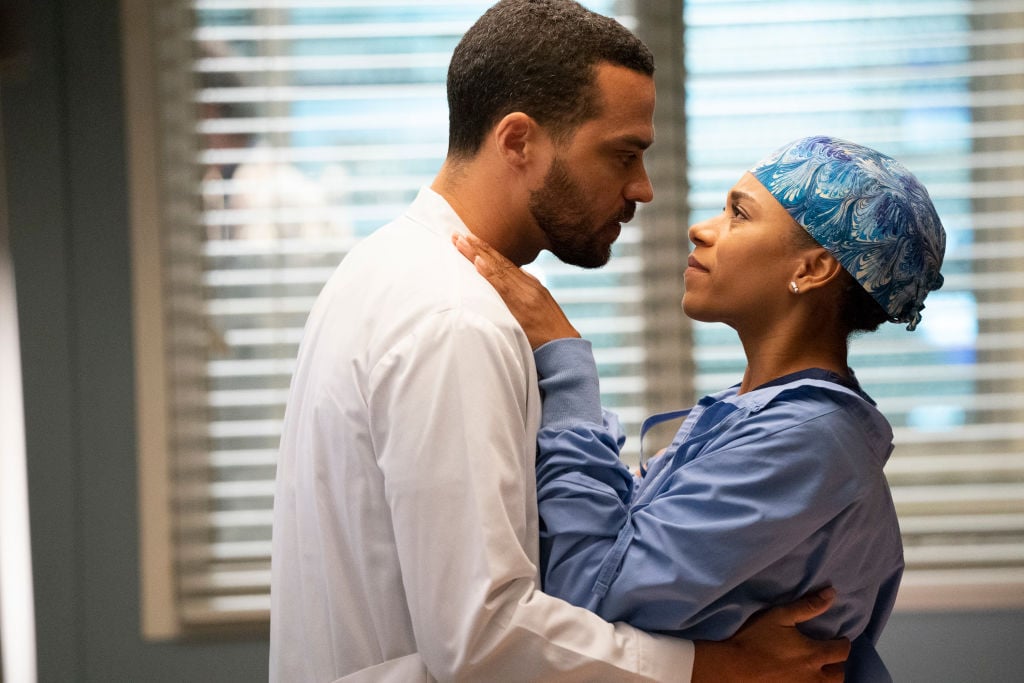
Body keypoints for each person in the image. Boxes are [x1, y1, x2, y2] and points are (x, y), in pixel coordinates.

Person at [270, 1, 850, 680]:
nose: (644, 189)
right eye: (623, 154)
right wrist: (715, 669)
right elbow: (481, 635)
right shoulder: (455, 320)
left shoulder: (382, 266)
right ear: (519, 141)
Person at [455, 134, 947, 682]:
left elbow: (585, 594)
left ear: (812, 269)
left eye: (740, 214)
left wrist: (565, 363)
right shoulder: (761, 415)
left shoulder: (808, 439)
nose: (701, 229)